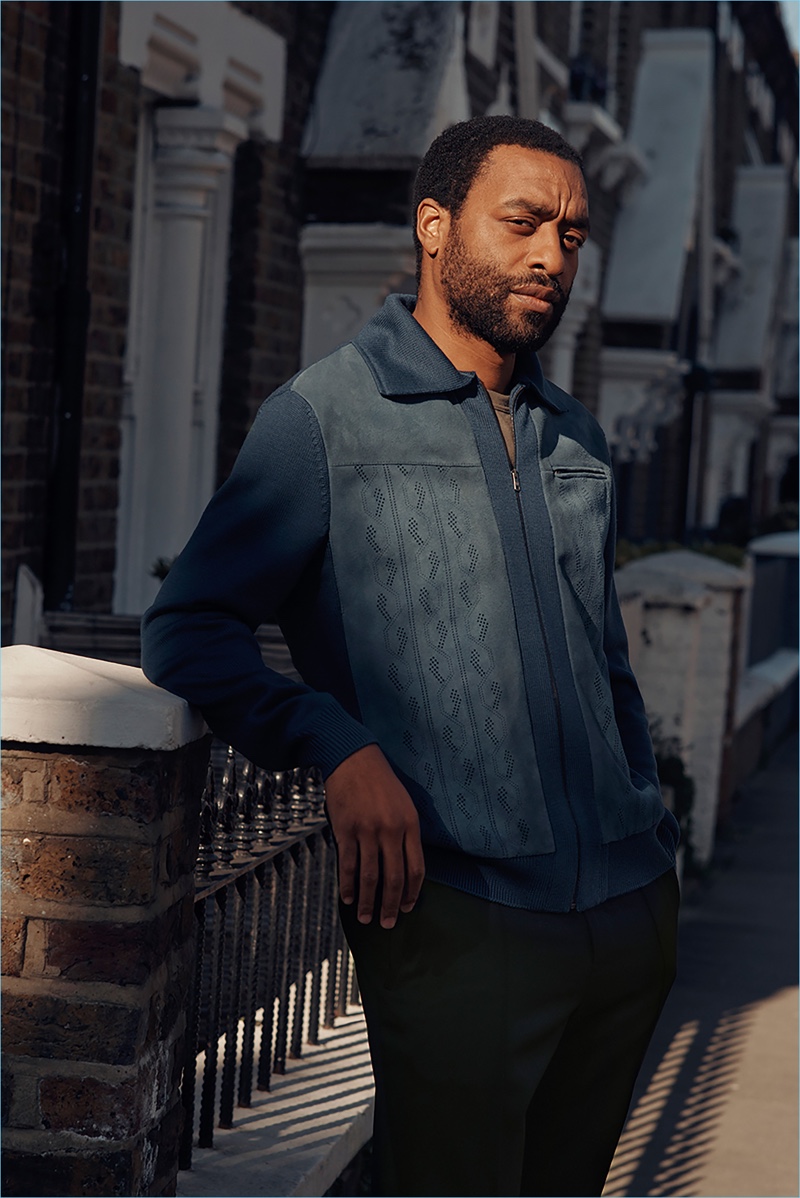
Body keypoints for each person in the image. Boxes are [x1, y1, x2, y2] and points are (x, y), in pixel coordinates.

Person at [142, 115, 680, 1197]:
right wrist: (334, 743)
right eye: (521, 222)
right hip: (458, 923)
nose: (549, 256)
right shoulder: (321, 418)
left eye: (571, 235)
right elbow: (187, 626)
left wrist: (647, 824)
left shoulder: (576, 435)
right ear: (435, 227)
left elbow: (602, 657)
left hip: (624, 915)